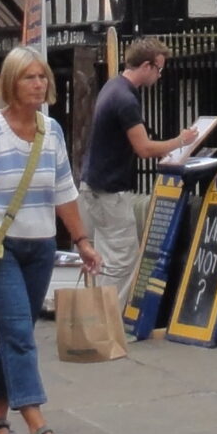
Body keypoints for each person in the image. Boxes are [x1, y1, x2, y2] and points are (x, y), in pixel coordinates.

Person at [0, 47, 100, 434]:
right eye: (29, 77)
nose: (38, 84)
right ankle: (39, 427)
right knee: (19, 333)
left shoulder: (50, 131)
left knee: (17, 333)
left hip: (41, 250)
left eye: (42, 77)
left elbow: (64, 192)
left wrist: (83, 241)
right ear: (11, 84)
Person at [79, 41, 204, 294]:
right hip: (109, 192)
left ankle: (98, 323)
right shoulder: (125, 99)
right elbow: (144, 148)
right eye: (159, 69)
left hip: (93, 186)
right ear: (147, 66)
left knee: (106, 260)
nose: (160, 75)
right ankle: (112, 328)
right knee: (122, 261)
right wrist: (181, 141)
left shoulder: (112, 86)